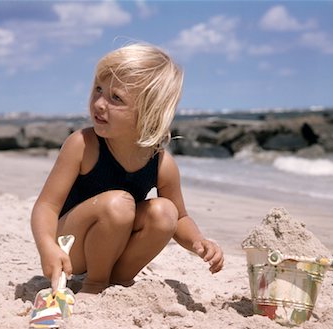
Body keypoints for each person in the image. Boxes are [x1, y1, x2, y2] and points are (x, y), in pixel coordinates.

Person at [31, 42, 224, 295]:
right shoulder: (83, 144)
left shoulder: (161, 164)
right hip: (69, 248)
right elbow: (47, 205)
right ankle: (95, 285)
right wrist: (47, 246)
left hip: (114, 250)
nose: (99, 103)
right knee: (118, 204)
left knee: (165, 211)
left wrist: (199, 242)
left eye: (116, 98)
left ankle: (117, 280)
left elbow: (180, 219)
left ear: (148, 113)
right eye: (98, 90)